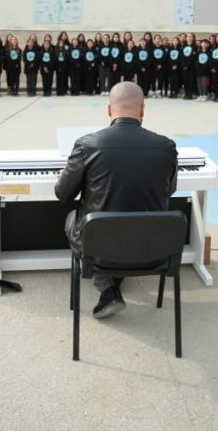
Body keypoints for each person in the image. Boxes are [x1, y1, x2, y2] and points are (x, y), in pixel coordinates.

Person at [55, 81, 179, 319]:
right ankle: (117, 275)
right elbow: (169, 190)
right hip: (152, 247)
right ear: (142, 110)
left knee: (74, 218)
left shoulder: (87, 144)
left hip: (101, 243)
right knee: (121, 223)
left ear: (109, 110)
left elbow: (63, 194)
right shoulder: (166, 146)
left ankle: (107, 286)